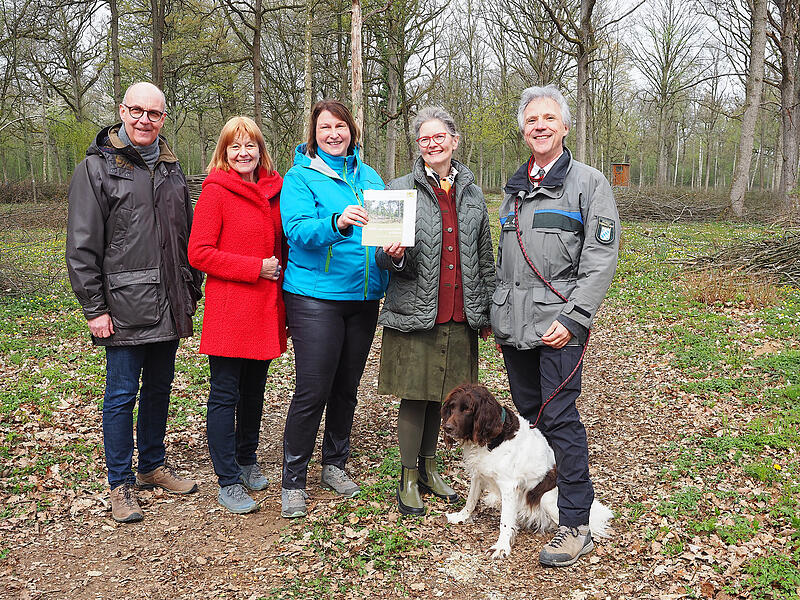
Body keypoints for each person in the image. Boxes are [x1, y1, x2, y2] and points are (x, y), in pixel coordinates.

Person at [492, 85, 619, 567]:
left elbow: (600, 258)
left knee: (559, 417)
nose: (540, 126)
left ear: (565, 127)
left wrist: (575, 317)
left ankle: (574, 523)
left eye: (549, 118)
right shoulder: (513, 187)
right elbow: (506, 263)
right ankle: (536, 498)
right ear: (523, 130)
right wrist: (496, 315)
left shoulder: (589, 183)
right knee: (529, 415)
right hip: (516, 328)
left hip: (560, 324)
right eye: (531, 120)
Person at [66, 82, 203, 523]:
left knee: (160, 388)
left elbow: (186, 234)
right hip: (123, 304)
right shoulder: (97, 168)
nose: (145, 120)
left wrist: (191, 286)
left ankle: (152, 465)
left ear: (165, 118)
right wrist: (94, 308)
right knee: (121, 395)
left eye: (155, 114)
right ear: (122, 112)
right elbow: (83, 245)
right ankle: (120, 483)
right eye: (137, 111)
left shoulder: (171, 167)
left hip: (168, 299)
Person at [375, 107, 495, 515]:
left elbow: (483, 257)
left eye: (439, 136)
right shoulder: (398, 189)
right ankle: (408, 476)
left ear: (454, 140)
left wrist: (488, 313)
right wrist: (393, 255)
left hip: (461, 313)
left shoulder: (474, 192)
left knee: (445, 399)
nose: (432, 143)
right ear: (418, 145)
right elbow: (383, 259)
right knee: (414, 396)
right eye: (425, 138)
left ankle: (430, 470)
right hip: (415, 311)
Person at [279, 99, 389, 518]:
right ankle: (293, 478)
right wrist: (337, 223)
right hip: (314, 297)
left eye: (340, 126)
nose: (333, 134)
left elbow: (383, 234)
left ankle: (335, 464)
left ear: (352, 131)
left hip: (363, 296)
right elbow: (297, 231)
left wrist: (392, 251)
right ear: (315, 133)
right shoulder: (300, 177)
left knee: (347, 387)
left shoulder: (372, 177)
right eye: (325, 127)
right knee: (313, 388)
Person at [188, 116, 285, 514]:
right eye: (235, 147)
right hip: (230, 310)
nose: (244, 153)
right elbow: (199, 252)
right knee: (225, 395)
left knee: (254, 394)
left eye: (251, 146)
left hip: (264, 309)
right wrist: (253, 268)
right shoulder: (215, 192)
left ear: (261, 151)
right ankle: (227, 478)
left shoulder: (274, 190)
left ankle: (246, 460)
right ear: (223, 153)